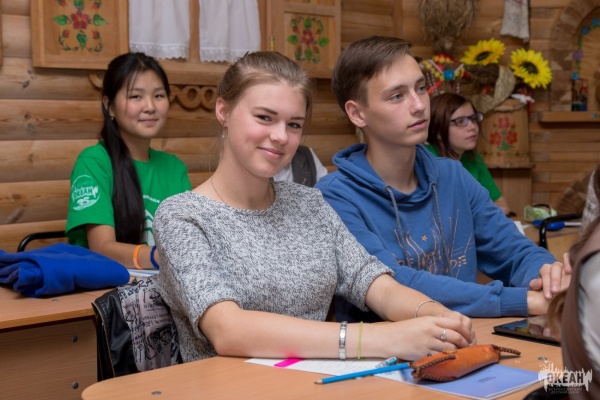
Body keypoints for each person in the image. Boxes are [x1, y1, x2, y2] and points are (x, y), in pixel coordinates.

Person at [153, 51, 474, 363]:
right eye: (264, 117)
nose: (281, 136)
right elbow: (227, 330)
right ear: (223, 110)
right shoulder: (182, 217)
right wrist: (380, 338)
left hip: (316, 384)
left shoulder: (309, 203)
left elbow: (375, 284)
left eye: (294, 125)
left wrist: (434, 314)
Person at [314, 36, 570, 321]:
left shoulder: (453, 175)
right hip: (386, 346)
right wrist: (522, 301)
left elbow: (513, 250)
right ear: (357, 113)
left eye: (421, 88)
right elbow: (396, 284)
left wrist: (547, 276)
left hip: (467, 338)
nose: (419, 105)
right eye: (397, 96)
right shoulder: (334, 196)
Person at [66, 52, 192, 270]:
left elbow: (188, 241)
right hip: (109, 286)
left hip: (166, 284)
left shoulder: (174, 167)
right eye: (136, 96)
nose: (150, 106)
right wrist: (159, 257)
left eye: (158, 95)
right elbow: (101, 248)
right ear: (109, 106)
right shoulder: (94, 162)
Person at [425, 92, 511, 215]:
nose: (472, 127)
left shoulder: (474, 159)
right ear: (438, 130)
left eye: (474, 119)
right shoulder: (425, 158)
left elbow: (502, 206)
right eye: (460, 121)